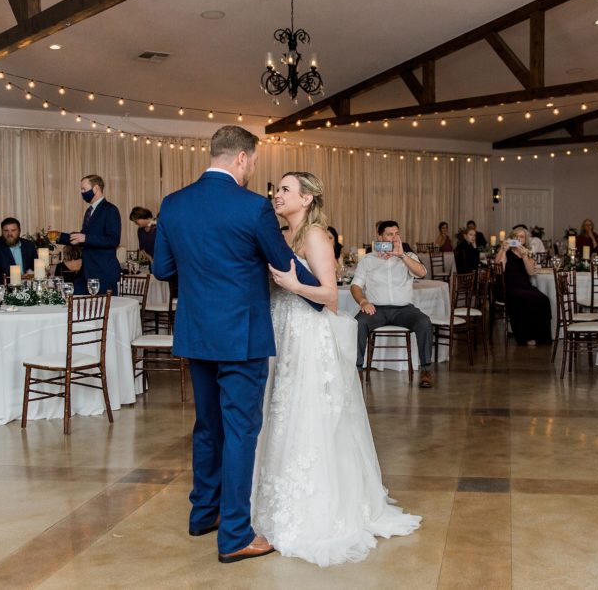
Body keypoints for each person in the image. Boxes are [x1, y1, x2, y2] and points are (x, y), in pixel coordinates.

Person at [151, 125, 322, 564]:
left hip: (196, 332)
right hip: (242, 335)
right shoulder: (252, 206)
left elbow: (162, 269)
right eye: (254, 162)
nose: (252, 170)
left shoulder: (173, 203)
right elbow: (281, 263)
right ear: (242, 158)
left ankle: (202, 514)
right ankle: (234, 536)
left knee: (208, 426)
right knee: (241, 431)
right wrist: (323, 296)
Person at [252, 172, 420, 566]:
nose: (278, 195)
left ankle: (318, 507)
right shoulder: (283, 236)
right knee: (281, 414)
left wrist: (293, 285)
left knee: (308, 415)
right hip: (283, 332)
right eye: (278, 189)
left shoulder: (315, 236)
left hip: (309, 336)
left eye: (286, 190)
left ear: (307, 198)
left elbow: (329, 295)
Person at [350, 220, 434, 387]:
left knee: (424, 322)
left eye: (397, 234)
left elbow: (422, 273)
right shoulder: (368, 259)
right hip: (376, 310)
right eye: (390, 234)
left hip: (404, 310)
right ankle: (357, 370)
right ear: (380, 237)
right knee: (359, 323)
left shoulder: (408, 256)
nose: (395, 238)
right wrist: (363, 301)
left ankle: (426, 370)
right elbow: (355, 286)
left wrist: (402, 256)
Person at [55, 175, 122, 295]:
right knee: (71, 299)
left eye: (84, 189)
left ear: (96, 188)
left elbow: (113, 240)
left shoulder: (110, 210)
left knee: (104, 306)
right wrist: (58, 236)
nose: (82, 192)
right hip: (87, 272)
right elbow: (81, 239)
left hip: (103, 272)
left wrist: (86, 238)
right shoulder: (89, 211)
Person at [496, 225, 551, 346]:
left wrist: (524, 255)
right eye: (516, 236)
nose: (519, 239)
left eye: (522, 237)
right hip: (511, 286)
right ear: (512, 238)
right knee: (525, 299)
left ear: (525, 240)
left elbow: (531, 272)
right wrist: (503, 250)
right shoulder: (506, 251)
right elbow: (500, 270)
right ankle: (525, 337)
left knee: (543, 299)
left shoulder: (527, 252)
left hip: (525, 285)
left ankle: (541, 337)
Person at [0, 217, 37, 283]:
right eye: (6, 231)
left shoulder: (29, 245)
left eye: (13, 230)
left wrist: (32, 274)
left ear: (19, 231)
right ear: (2, 231)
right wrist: (15, 277)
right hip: (5, 287)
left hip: (28, 285)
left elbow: (36, 268)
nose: (9, 234)